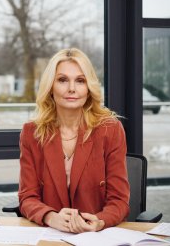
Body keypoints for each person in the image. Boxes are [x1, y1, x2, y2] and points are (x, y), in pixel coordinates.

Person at [18, 48, 130, 233]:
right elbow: (27, 197)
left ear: (89, 88)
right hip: (52, 235)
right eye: (62, 80)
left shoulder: (110, 130)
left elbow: (119, 200)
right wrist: (51, 217)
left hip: (97, 238)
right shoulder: (32, 133)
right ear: (50, 87)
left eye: (80, 80)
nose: (72, 88)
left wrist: (100, 221)